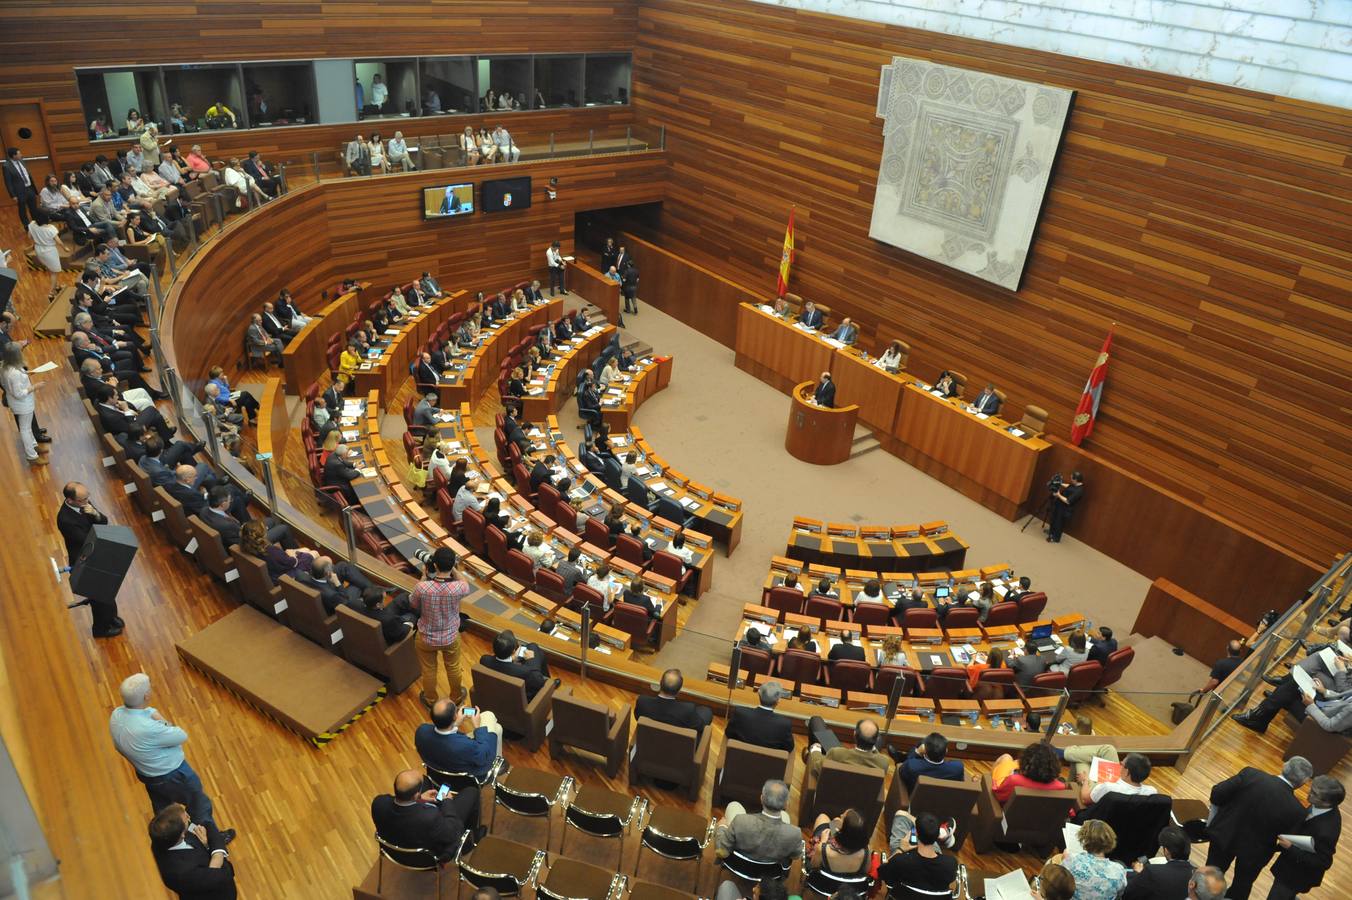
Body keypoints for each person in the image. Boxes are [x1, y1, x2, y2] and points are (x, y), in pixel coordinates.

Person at [110, 673, 233, 839]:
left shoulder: (116, 715)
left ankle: (173, 841)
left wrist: (150, 712)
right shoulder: (149, 728)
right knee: (199, 806)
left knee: (165, 812)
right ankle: (211, 840)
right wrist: (160, 718)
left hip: (148, 775)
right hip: (174, 775)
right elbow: (181, 735)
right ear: (147, 695)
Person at [1206, 756, 1312, 900]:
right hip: (1255, 853)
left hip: (1225, 834)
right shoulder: (1297, 811)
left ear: (1284, 766)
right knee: (1242, 885)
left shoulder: (1251, 775)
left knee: (1210, 876)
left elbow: (1217, 793)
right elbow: (1286, 842)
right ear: (1303, 782)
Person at [57, 482, 125, 637]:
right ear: (71, 500)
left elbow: (103, 522)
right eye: (82, 499)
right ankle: (101, 629)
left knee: (108, 590)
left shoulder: (84, 503)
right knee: (98, 596)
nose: (87, 501)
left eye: (87, 497)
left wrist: (95, 514)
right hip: (84, 559)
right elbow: (86, 541)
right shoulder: (65, 519)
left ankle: (111, 617)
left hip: (97, 552)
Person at [371, 768, 481, 862]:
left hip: (392, 850)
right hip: (427, 858)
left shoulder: (378, 803)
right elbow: (452, 833)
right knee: (471, 792)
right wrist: (447, 801)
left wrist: (419, 799)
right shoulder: (429, 817)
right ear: (415, 795)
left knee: (426, 780)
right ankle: (469, 840)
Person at [410, 547, 472, 709]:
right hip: (451, 636)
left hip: (425, 637)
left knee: (428, 670)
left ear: (435, 565)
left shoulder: (422, 587)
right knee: (453, 668)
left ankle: (430, 700)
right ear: (452, 565)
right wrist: (453, 569)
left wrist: (424, 577)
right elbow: (465, 583)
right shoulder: (459, 587)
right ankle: (457, 696)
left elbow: (413, 604)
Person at [1267, 774, 1343, 900]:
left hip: (1295, 876)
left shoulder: (1327, 831)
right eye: (1311, 789)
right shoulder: (1318, 805)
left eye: (1314, 794)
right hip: (1290, 865)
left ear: (1327, 802)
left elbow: (1323, 862)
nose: (1309, 794)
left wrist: (1291, 847)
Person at [148, 802, 237, 900]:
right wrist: (211, 849)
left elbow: (207, 825)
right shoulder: (183, 873)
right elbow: (226, 873)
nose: (189, 818)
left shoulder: (162, 838)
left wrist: (214, 850)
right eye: (187, 819)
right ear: (182, 835)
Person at [714, 779, 801, 864]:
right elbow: (795, 856)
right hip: (770, 872)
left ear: (761, 798)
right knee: (785, 816)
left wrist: (721, 828)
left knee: (734, 806)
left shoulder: (740, 821)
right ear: (786, 804)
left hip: (739, 864)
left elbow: (722, 852)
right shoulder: (794, 834)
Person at [415, 698, 502, 783]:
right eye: (456, 710)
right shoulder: (464, 746)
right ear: (455, 716)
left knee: (498, 729)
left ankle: (499, 760)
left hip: (438, 775)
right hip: (469, 777)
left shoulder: (421, 732)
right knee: (488, 715)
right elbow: (484, 756)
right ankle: (497, 765)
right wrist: (477, 726)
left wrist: (456, 724)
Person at [877, 812, 957, 897]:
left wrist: (900, 849)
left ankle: (936, 831)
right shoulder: (950, 864)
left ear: (917, 834)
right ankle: (942, 833)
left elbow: (882, 873)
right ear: (936, 837)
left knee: (901, 814)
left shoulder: (900, 861)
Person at [805, 717, 893, 780]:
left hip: (833, 793)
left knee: (816, 720)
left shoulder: (837, 754)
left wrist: (815, 750)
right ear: (875, 740)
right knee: (880, 738)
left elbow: (816, 767)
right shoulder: (883, 763)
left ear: (854, 735)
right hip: (861, 801)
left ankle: (807, 756)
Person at [2, 342, 47, 465]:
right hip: (22, 403)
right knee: (25, 429)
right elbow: (19, 393)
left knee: (26, 427)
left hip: (18, 402)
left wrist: (27, 373)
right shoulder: (14, 373)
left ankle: (33, 445)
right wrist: (35, 387)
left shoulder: (4, 367)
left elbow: (14, 381)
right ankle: (31, 455)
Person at [635, 668, 713, 737]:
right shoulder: (688, 710)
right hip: (678, 749)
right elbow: (701, 727)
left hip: (648, 742)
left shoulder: (642, 701)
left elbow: (637, 717)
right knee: (706, 712)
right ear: (679, 690)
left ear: (660, 683)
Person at [1060, 819, 1126, 900]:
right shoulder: (1119, 871)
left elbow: (1060, 881)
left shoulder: (1071, 860)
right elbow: (1119, 894)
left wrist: (1065, 859)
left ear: (1083, 840)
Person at [1122, 825, 1194, 899]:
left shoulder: (1152, 871)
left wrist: (1138, 874)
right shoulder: (1199, 875)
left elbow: (1128, 894)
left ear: (1166, 851)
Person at [479, 629, 553, 701]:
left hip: (496, 691)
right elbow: (538, 682)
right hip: (521, 698)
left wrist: (512, 658)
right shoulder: (526, 672)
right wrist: (530, 659)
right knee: (535, 648)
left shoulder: (484, 660)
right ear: (514, 651)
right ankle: (549, 682)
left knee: (533, 646)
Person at [724, 682, 794, 752]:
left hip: (736, 759)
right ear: (778, 701)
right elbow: (789, 748)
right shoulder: (784, 724)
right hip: (767, 762)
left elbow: (729, 733)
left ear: (759, 694)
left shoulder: (740, 712)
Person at [989, 740, 1067, 804]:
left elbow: (998, 794)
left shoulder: (1014, 780)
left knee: (1006, 758)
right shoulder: (1060, 787)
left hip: (1007, 818)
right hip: (1040, 821)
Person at [806, 808, 870, 878]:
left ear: (843, 831)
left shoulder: (823, 849)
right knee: (835, 821)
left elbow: (813, 867)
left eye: (842, 817)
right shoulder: (866, 852)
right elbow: (865, 873)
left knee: (822, 816)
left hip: (824, 882)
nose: (841, 815)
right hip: (848, 886)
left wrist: (823, 842)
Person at [1079, 751, 1156, 809]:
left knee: (1081, 763)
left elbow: (1084, 799)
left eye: (1122, 764)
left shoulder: (1108, 788)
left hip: (1100, 822)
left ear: (1127, 772)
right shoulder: (1151, 792)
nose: (1120, 764)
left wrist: (1085, 781)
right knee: (1109, 750)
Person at [897, 732, 964, 792]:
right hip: (945, 801)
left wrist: (917, 752)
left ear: (924, 750)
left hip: (917, 800)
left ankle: (899, 757)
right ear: (946, 751)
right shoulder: (958, 767)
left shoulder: (912, 766)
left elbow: (901, 771)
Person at [28, 213, 67, 300]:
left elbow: (29, 236)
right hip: (49, 252)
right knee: (54, 272)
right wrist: (65, 248)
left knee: (50, 269)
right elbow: (59, 241)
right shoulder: (51, 228)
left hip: (38, 249)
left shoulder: (32, 224)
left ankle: (57, 286)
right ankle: (51, 293)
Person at [3, 147, 40, 227]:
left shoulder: (22, 161)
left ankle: (36, 224)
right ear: (14, 156)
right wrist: (13, 195)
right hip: (19, 192)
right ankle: (27, 226)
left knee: (33, 207)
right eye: (19, 153)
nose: (21, 155)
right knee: (23, 210)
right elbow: (8, 182)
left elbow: (27, 174)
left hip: (29, 188)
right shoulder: (6, 166)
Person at [1048, 471, 1084, 542]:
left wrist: (1058, 495)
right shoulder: (1075, 484)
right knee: (1054, 519)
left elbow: (1068, 501)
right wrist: (1059, 483)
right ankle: (1051, 532)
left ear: (1075, 480)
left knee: (1059, 523)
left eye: (1071, 479)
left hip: (1065, 509)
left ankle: (1055, 538)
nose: (1070, 480)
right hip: (1059, 505)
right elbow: (1068, 486)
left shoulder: (1079, 491)